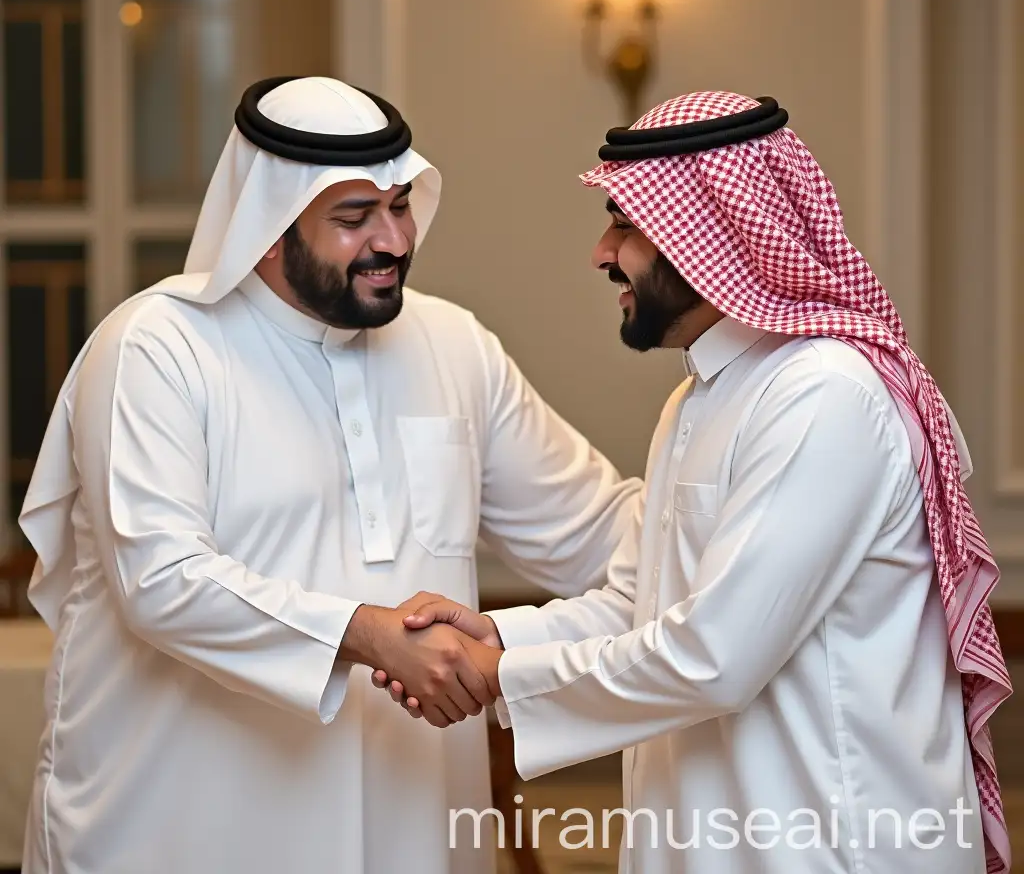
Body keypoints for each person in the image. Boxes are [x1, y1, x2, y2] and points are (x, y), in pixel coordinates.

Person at [16, 76, 642, 874]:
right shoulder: (157, 348)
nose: (393, 240)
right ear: (270, 229)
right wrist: (370, 635)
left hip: (409, 824)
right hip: (181, 825)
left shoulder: (455, 346)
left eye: (401, 205)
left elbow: (600, 533)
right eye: (353, 219)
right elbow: (163, 581)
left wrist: (747, 525)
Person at [375, 92, 1012, 874]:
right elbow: (637, 602)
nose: (601, 253)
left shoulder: (825, 393)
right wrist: (496, 636)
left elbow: (716, 656)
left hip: (836, 846)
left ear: (708, 238)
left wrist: (496, 676)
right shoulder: (699, 397)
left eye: (626, 226)